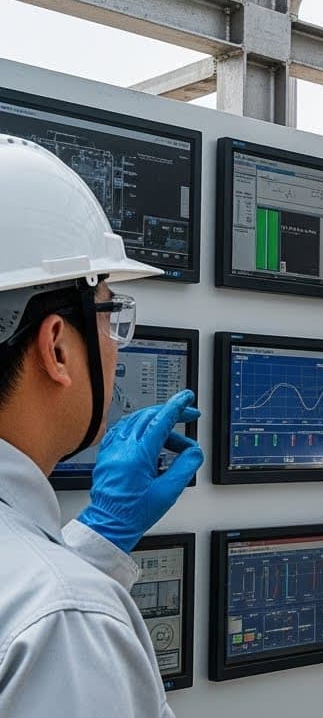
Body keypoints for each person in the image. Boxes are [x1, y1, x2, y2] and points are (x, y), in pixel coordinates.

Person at [0, 136, 202, 716]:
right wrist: (72, 586)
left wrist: (100, 539)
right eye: (111, 314)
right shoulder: (66, 624)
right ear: (58, 348)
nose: (116, 347)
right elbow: (44, 612)